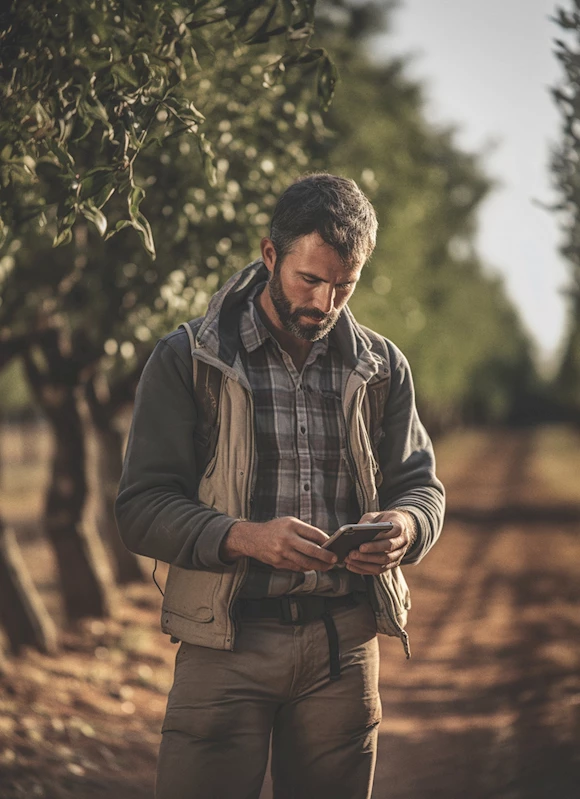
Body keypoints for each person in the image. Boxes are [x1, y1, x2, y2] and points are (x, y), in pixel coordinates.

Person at [115, 173, 445, 799]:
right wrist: (243, 538)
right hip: (224, 645)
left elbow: (422, 489)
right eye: (310, 280)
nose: (325, 302)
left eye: (344, 287)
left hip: (342, 651)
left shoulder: (382, 368)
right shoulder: (188, 360)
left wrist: (405, 528)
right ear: (271, 254)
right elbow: (140, 509)